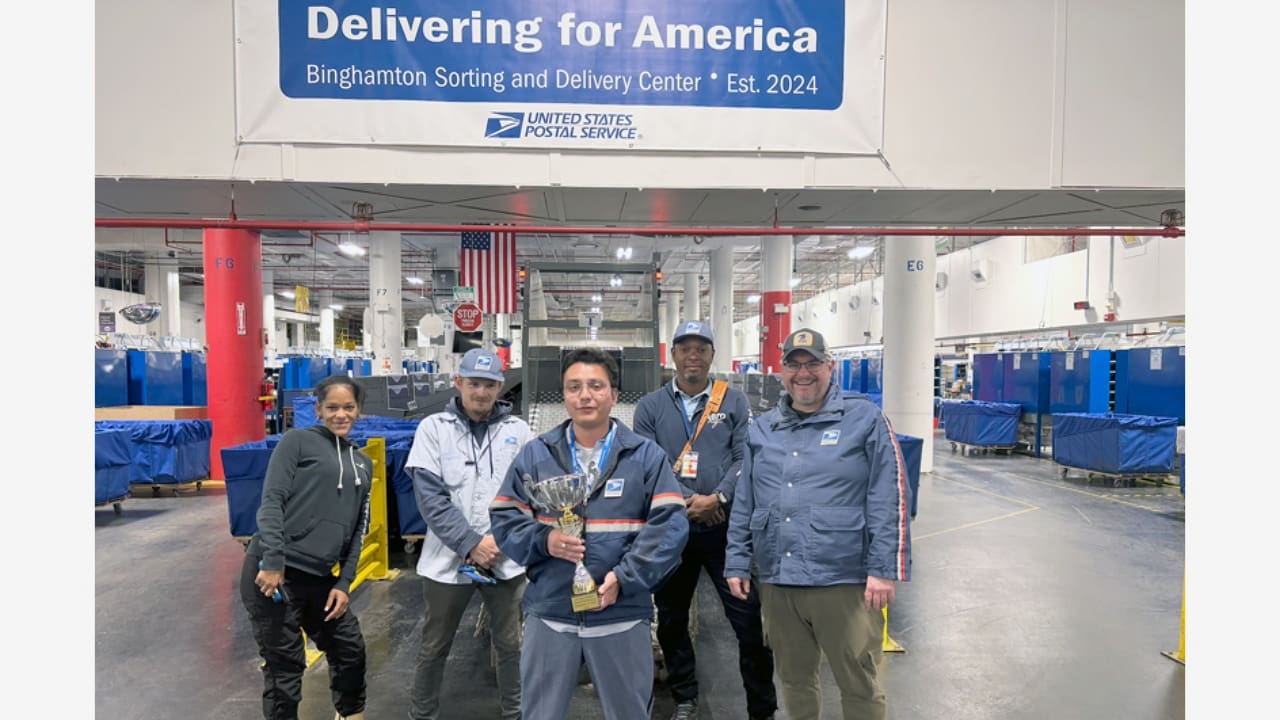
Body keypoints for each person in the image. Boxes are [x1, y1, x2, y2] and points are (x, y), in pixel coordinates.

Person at [490, 346, 690, 720]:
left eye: (596, 386)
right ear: (564, 395)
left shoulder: (645, 456)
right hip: (551, 612)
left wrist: (624, 578)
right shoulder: (536, 455)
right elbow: (505, 517)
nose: (585, 395)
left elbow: (670, 526)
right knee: (540, 714)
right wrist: (545, 540)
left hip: (622, 613)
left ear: (614, 395)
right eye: (574, 386)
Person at [726, 328, 912, 720]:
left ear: (830, 367)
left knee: (858, 682)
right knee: (794, 680)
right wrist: (737, 562)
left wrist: (883, 569)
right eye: (793, 365)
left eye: (812, 363)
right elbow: (745, 500)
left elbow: (889, 494)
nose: (803, 373)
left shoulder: (864, 419)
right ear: (782, 371)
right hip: (779, 579)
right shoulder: (763, 428)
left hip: (843, 579)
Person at [633, 320, 778, 720]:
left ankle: (762, 708)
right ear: (673, 355)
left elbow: (745, 456)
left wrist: (719, 497)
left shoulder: (733, 401)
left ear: (712, 355)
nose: (693, 356)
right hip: (672, 531)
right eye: (685, 348)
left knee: (749, 622)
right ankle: (685, 696)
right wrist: (687, 501)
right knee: (671, 619)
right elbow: (649, 464)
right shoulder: (650, 407)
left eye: (701, 348)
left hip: (725, 530)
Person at [405, 347, 533, 720]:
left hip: (504, 558)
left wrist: (500, 541)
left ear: (500, 387)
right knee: (434, 645)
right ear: (458, 382)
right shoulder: (433, 429)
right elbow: (431, 499)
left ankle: (516, 713)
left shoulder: (518, 432)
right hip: (447, 560)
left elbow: (530, 494)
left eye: (489, 384)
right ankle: (422, 715)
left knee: (510, 644)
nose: (481, 392)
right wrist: (471, 544)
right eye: (473, 383)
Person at [240, 374, 373, 720]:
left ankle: (350, 715)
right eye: (332, 407)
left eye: (348, 407)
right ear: (318, 409)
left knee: (349, 650)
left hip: (320, 578)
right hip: (274, 574)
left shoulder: (363, 463)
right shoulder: (297, 441)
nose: (340, 414)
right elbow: (272, 501)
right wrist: (273, 561)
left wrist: (344, 583)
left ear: (358, 410)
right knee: (285, 667)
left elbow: (358, 529)